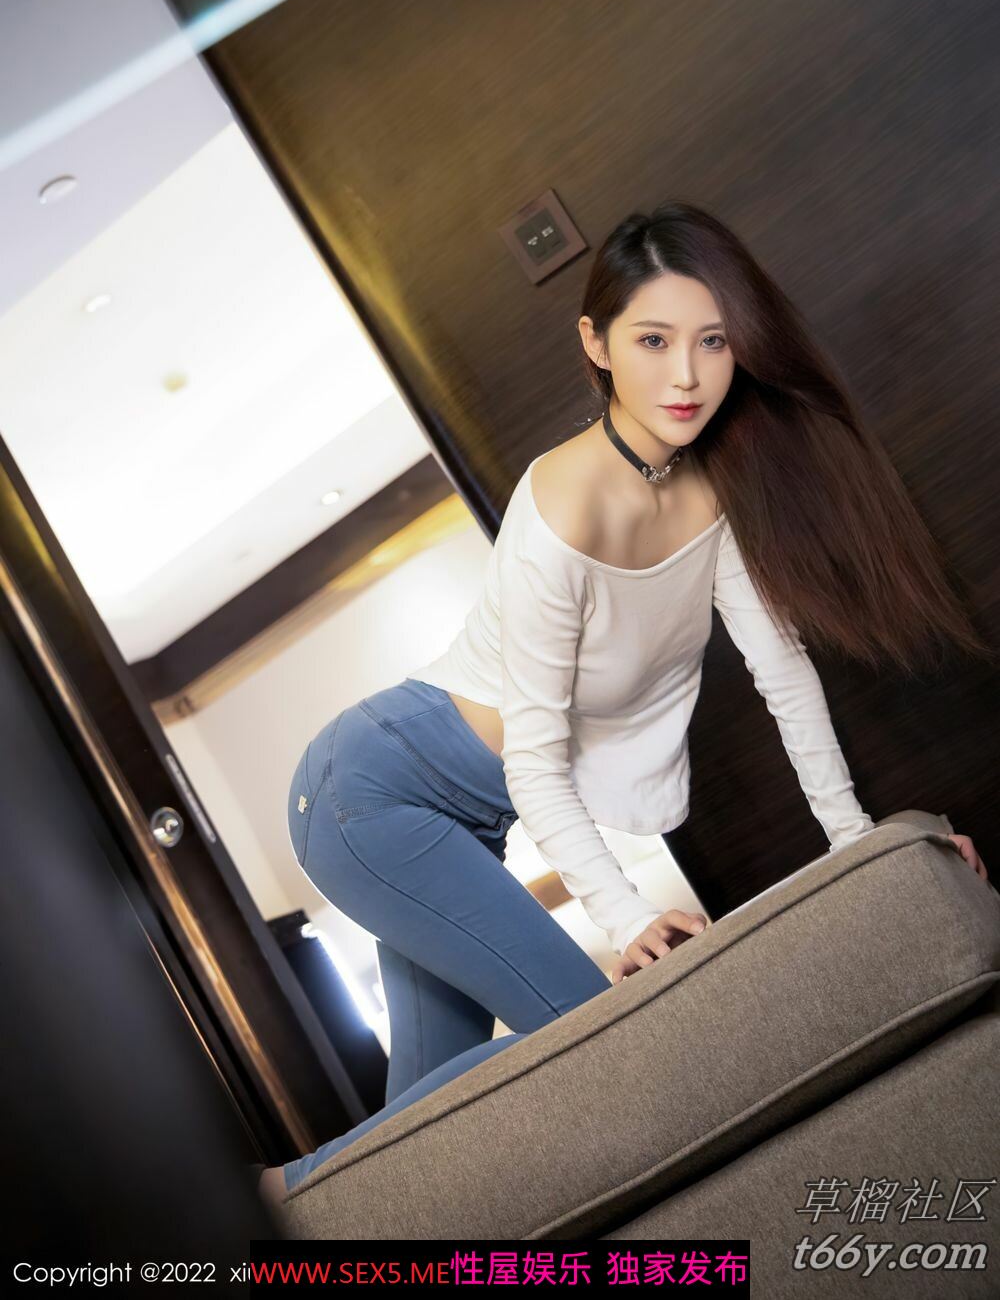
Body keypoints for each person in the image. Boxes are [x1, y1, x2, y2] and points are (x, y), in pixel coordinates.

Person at [260, 199, 991, 1209]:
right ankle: (270, 1201)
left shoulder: (711, 490)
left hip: (454, 816)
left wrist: (859, 843)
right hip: (371, 793)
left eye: (712, 342)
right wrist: (628, 915)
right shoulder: (562, 504)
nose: (686, 376)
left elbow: (781, 673)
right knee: (600, 1046)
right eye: (653, 341)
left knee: (436, 1122)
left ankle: (349, 1237)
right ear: (596, 345)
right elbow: (533, 757)